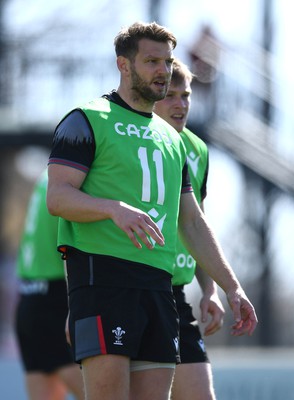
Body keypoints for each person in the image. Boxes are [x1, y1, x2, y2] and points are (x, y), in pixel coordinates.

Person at [46, 21, 258, 400]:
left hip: (159, 288)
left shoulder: (172, 140)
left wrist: (231, 287)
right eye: (151, 61)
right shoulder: (86, 119)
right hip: (102, 282)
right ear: (123, 65)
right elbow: (58, 198)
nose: (162, 70)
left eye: (167, 61)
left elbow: (192, 221)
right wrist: (113, 209)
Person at [154, 58, 223, 400]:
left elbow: (197, 223)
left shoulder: (197, 148)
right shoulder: (132, 140)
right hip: (134, 290)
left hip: (177, 296)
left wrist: (211, 290)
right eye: (170, 95)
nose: (180, 104)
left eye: (186, 95)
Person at [15, 170, 84, 400]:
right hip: (56, 302)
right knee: (105, 393)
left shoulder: (50, 177)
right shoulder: (73, 182)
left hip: (30, 299)